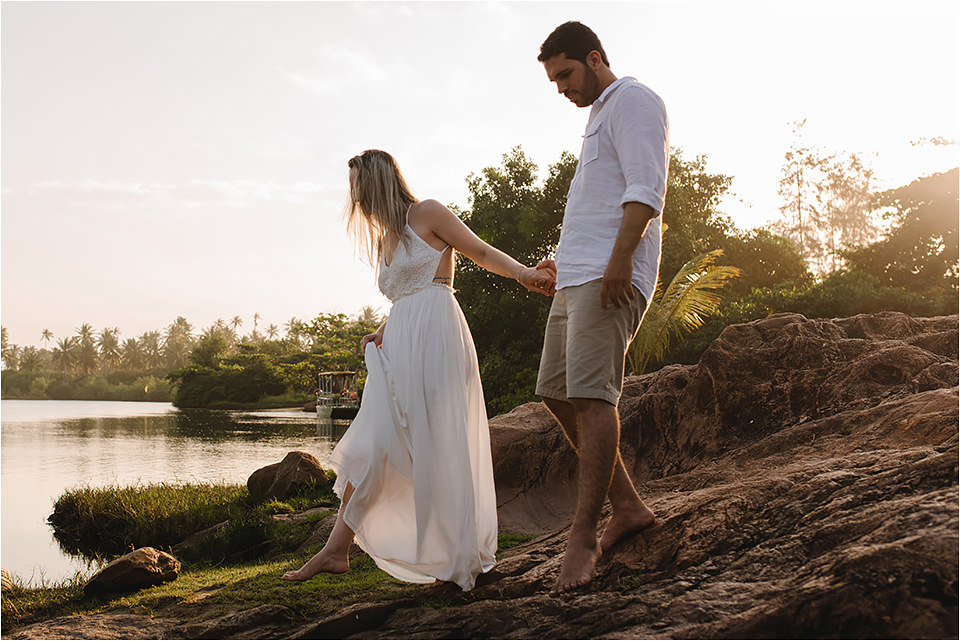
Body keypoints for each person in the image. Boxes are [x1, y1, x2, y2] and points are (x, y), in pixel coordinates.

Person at [281, 149, 555, 591]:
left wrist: (524, 274)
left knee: (440, 443)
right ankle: (337, 549)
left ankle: (448, 552)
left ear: (377, 181)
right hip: (401, 346)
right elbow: (405, 295)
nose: (355, 199)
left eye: (358, 188)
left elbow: (478, 252)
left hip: (438, 339)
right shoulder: (386, 238)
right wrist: (382, 330)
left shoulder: (426, 213)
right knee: (372, 444)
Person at [533, 21, 670, 595]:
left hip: (610, 274)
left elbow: (645, 188)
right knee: (555, 391)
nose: (561, 89)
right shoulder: (597, 116)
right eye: (554, 81)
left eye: (565, 74)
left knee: (591, 397)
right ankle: (629, 507)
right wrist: (561, 262)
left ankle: (583, 535)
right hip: (579, 274)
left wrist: (619, 261)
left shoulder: (633, 100)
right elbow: (597, 200)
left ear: (594, 58)